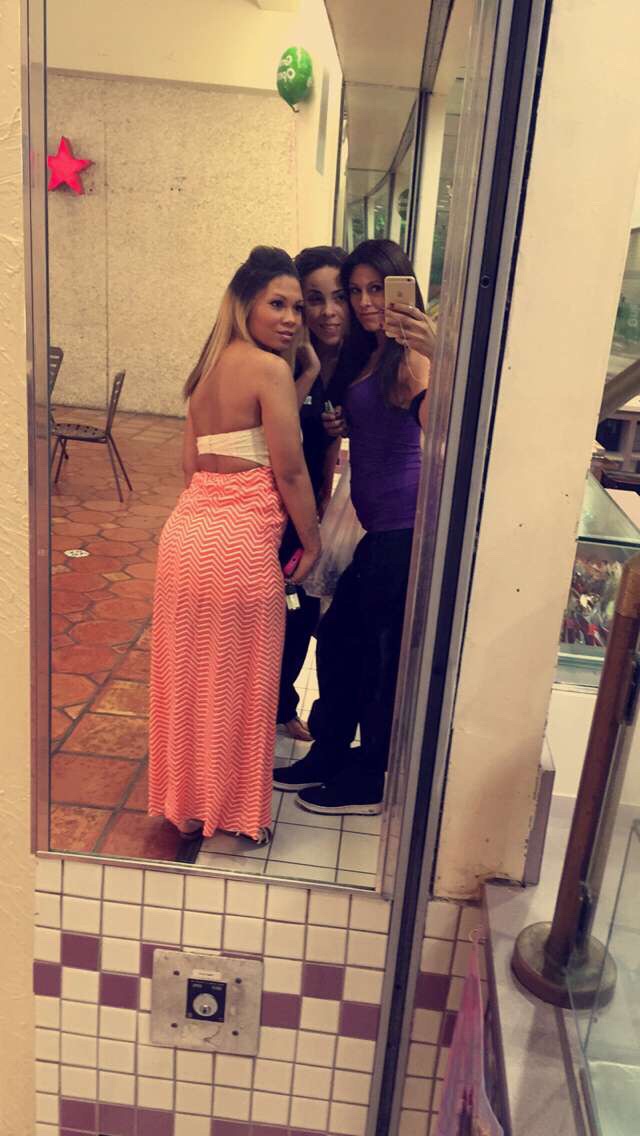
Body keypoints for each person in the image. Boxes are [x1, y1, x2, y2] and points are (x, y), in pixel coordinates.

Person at [149, 246, 320, 844]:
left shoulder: (207, 369)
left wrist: (304, 377)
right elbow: (289, 468)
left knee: (189, 681)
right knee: (241, 684)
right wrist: (312, 541)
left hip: (186, 540)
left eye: (297, 308)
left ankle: (186, 804)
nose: (292, 318)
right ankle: (237, 813)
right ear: (246, 303)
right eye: (278, 304)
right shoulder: (267, 370)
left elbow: (192, 465)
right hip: (242, 547)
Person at [274, 238, 436, 814]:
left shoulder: (411, 356)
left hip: (403, 529)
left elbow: (437, 423)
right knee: (342, 640)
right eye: (357, 290)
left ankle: (370, 776)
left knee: (373, 657)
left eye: (377, 289)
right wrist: (347, 422)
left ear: (402, 290)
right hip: (380, 529)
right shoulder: (375, 352)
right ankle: (330, 754)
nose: (366, 302)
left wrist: (439, 356)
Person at [277, 245, 349, 742]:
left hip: (312, 505)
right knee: (280, 609)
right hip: (273, 503)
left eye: (338, 296)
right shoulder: (285, 356)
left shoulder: (353, 359)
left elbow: (326, 443)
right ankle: (266, 706)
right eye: (314, 299)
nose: (328, 311)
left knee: (301, 612)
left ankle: (282, 705)